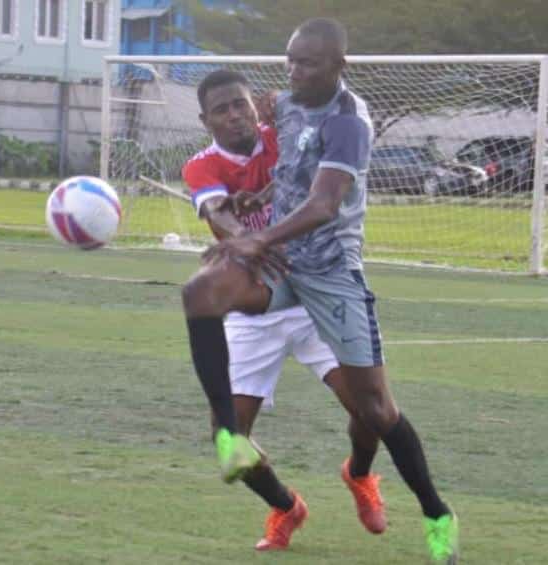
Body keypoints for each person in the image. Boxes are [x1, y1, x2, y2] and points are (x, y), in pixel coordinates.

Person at [182, 19, 459, 563]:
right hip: (280, 271)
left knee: (375, 411)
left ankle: (434, 511)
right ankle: (239, 450)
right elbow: (291, 171)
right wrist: (254, 201)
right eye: (290, 60)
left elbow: (324, 202)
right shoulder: (284, 105)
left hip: (330, 275)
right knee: (199, 293)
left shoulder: (350, 122)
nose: (294, 72)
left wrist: (254, 235)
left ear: (339, 65)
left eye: (307, 63)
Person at [182, 69, 384, 551]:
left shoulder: (287, 138)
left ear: (255, 105)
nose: (234, 115)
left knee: (370, 411)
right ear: (204, 119)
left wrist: (293, 105)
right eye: (221, 109)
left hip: (313, 292)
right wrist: (244, 239)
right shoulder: (201, 166)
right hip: (255, 304)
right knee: (228, 436)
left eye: (240, 104)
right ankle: (286, 506)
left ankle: (358, 474)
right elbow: (218, 212)